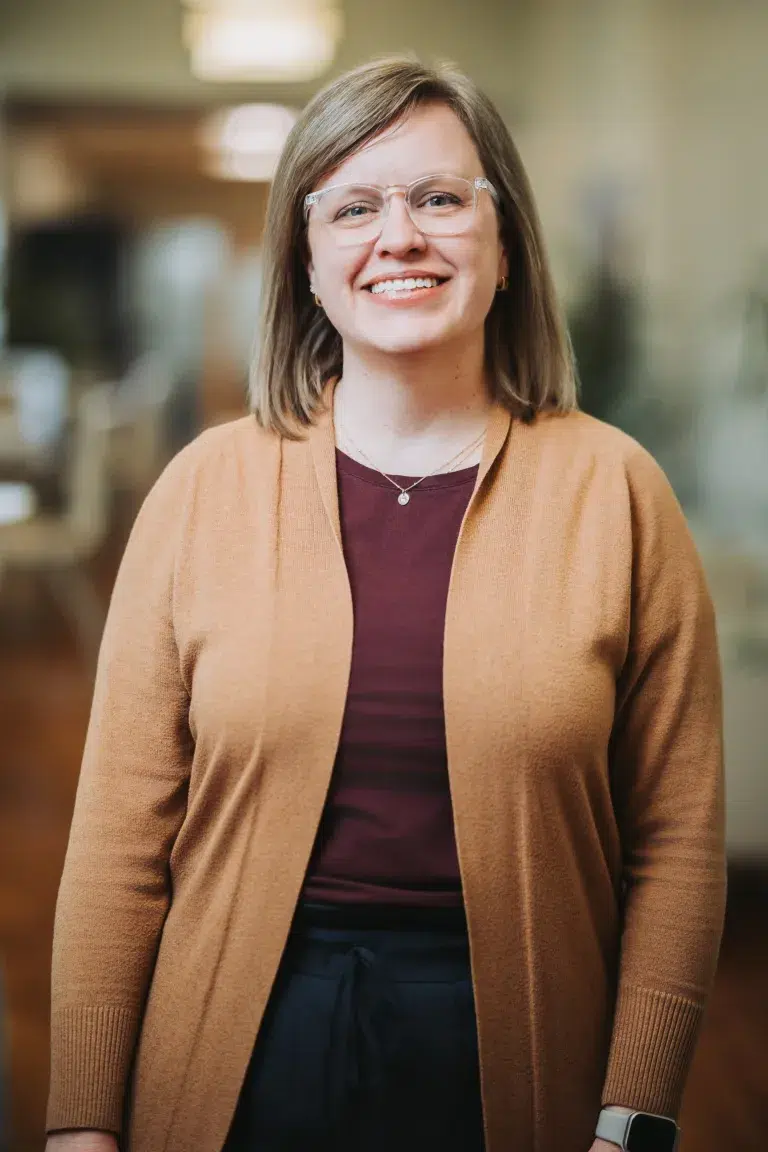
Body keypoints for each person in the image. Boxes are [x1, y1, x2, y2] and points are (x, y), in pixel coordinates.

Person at [45, 56, 726, 1152]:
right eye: (354, 206)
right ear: (307, 264)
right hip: (236, 1040)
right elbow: (120, 841)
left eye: (441, 199)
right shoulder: (203, 489)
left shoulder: (618, 492)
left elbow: (678, 843)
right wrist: (81, 1122)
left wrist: (631, 1116)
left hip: (523, 1048)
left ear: (505, 250)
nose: (398, 236)